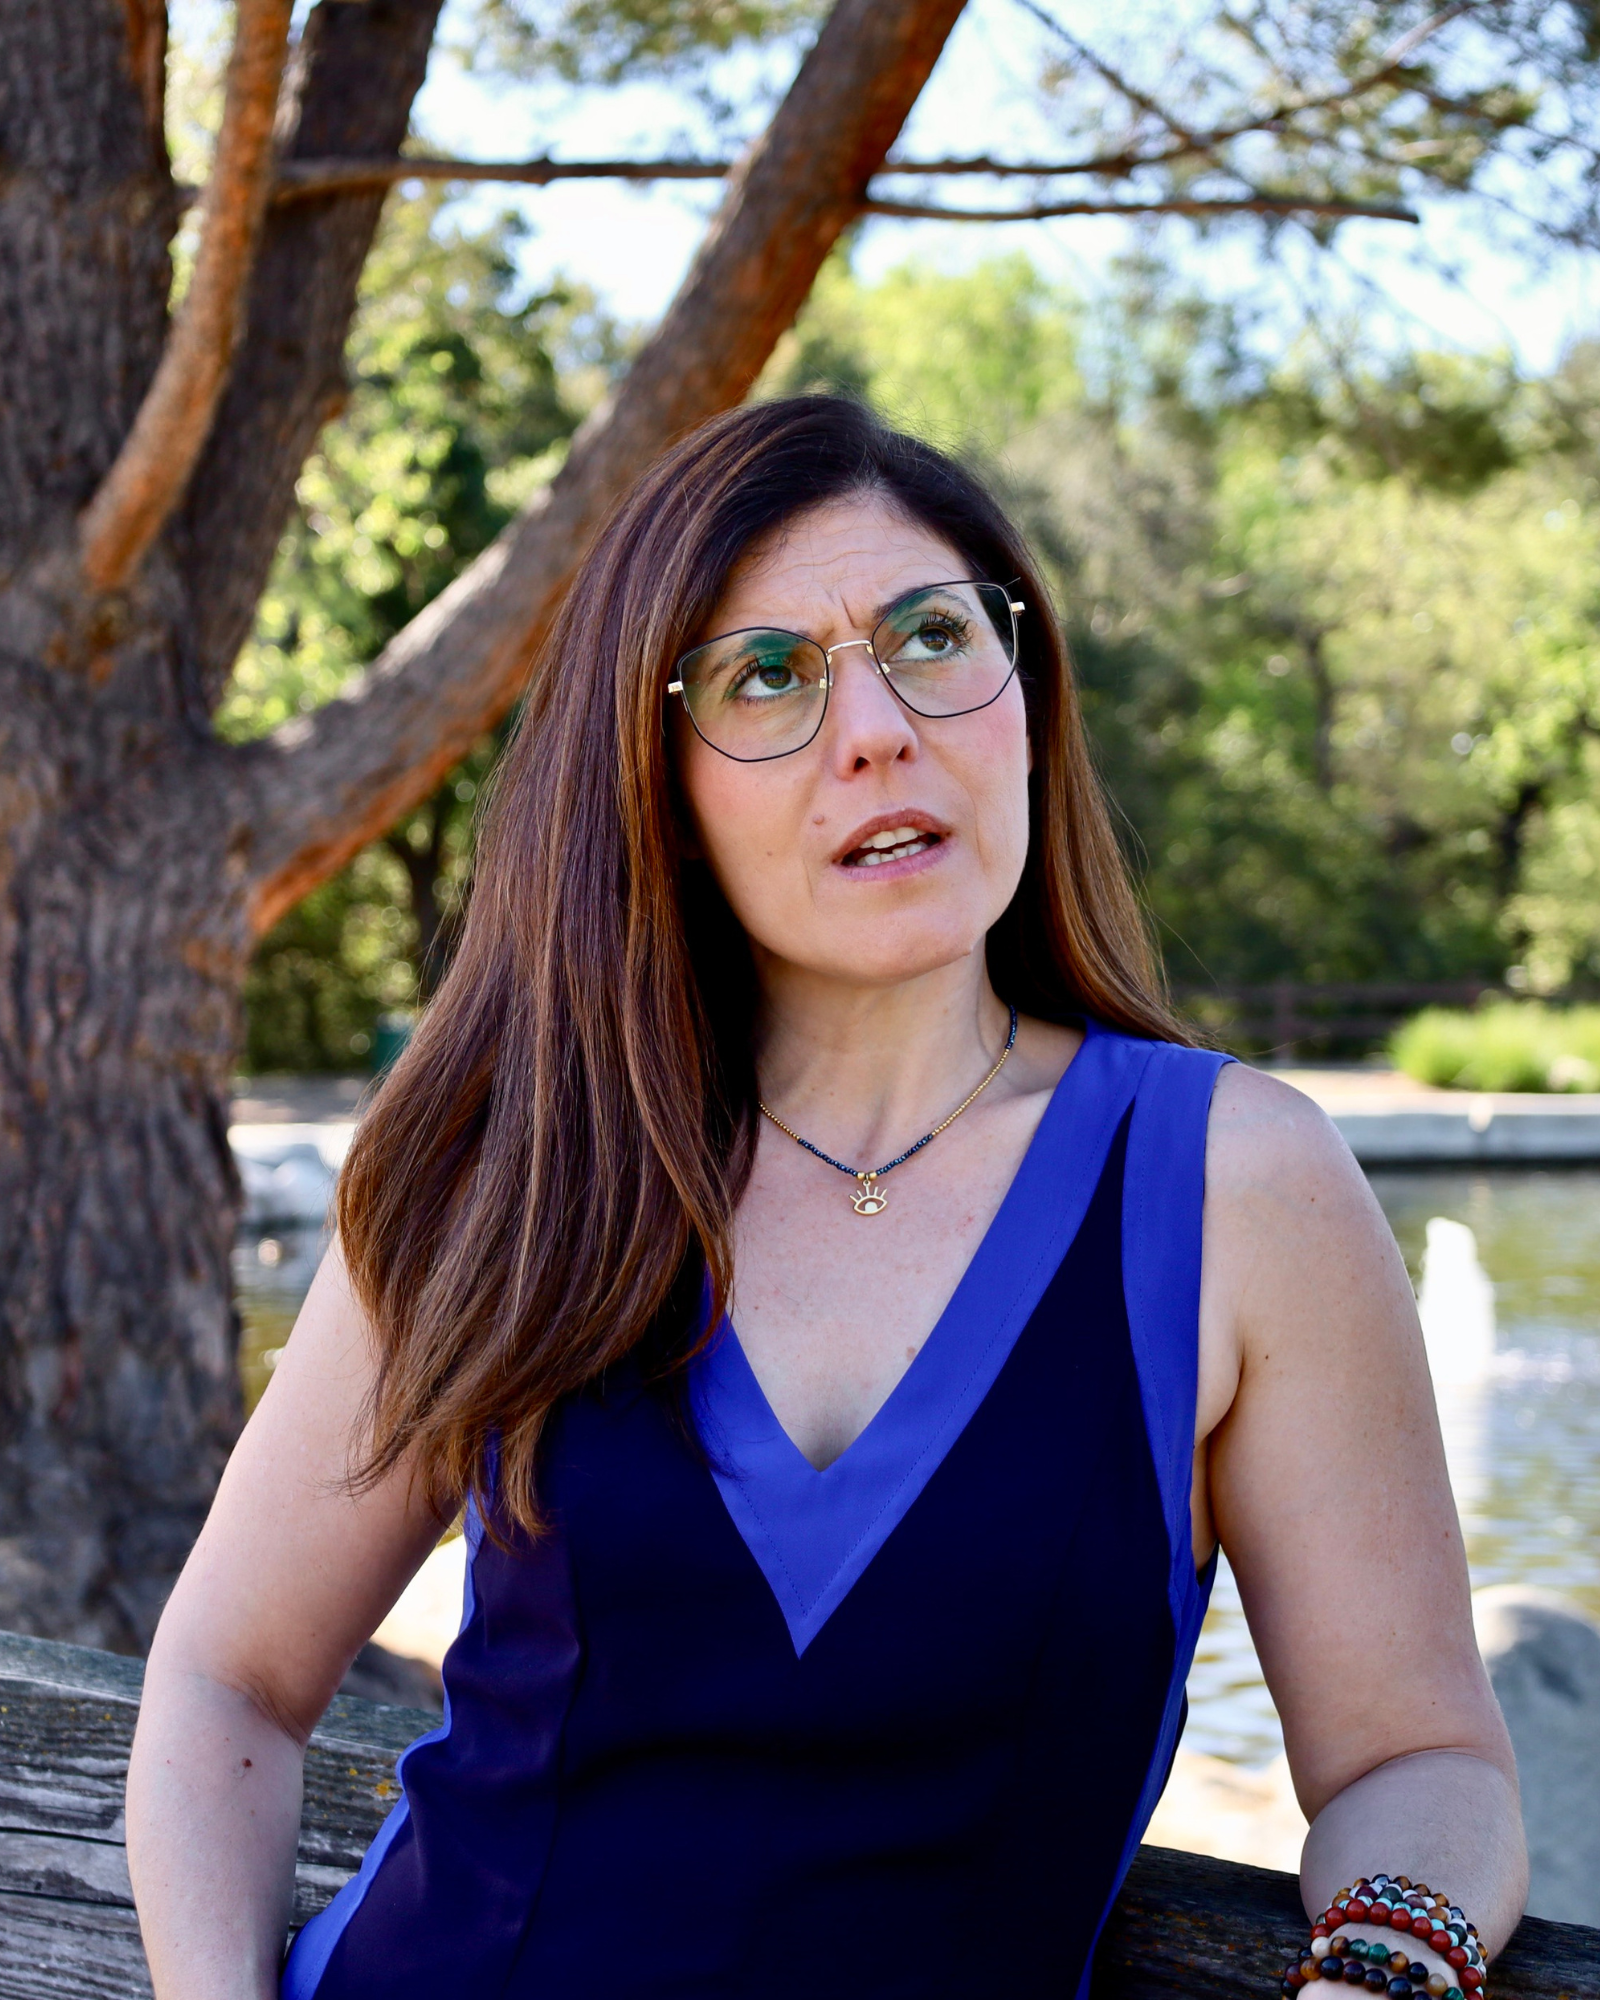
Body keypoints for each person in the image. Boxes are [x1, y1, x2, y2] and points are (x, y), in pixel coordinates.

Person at [127, 397, 1526, 2000]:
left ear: (1025, 693)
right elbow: (228, 1682)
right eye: (768, 676)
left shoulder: (1235, 1191)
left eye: (931, 636)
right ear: (657, 779)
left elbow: (1423, 1760)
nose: (875, 726)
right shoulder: (502, 1158)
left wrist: (1384, 1972)